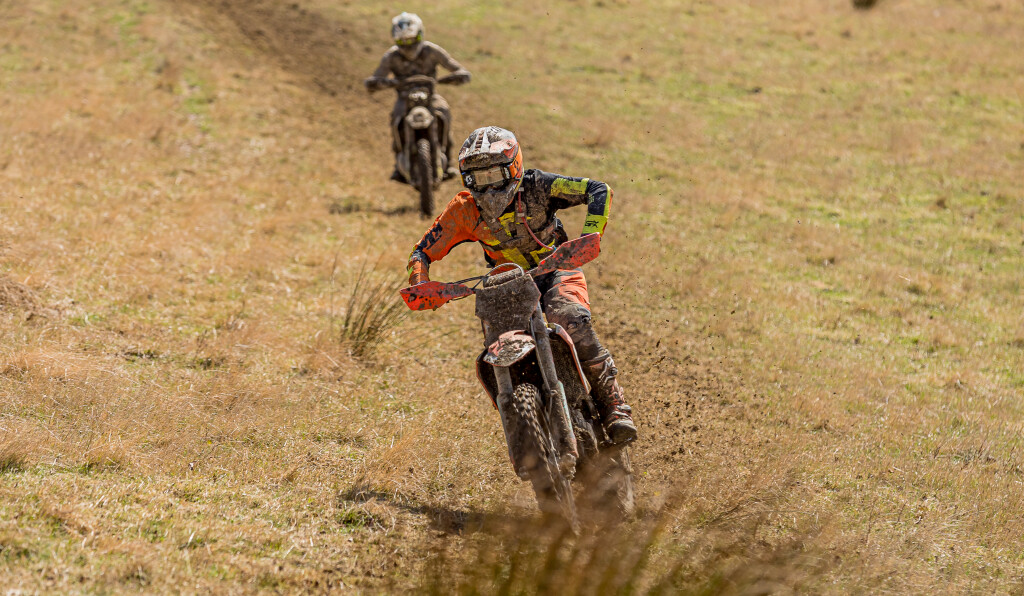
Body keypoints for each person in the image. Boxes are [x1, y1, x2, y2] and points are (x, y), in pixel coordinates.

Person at [406, 126, 638, 444]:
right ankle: (524, 423)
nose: (488, 188)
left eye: (494, 175)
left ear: (513, 167)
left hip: (557, 268)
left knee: (570, 318)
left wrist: (589, 236)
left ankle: (614, 405)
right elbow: (421, 251)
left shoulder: (538, 186)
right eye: (478, 178)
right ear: (466, 180)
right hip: (506, 282)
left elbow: (598, 190)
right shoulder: (462, 209)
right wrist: (420, 282)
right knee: (496, 345)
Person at [363, 12, 471, 181]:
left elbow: (455, 67)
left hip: (430, 97)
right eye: (402, 41)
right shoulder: (391, 56)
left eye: (412, 40)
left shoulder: (432, 51)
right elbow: (377, 77)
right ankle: (398, 164)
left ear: (420, 34)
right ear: (395, 40)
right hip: (404, 99)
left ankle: (448, 160)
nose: (408, 45)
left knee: (443, 111)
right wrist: (375, 83)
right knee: (396, 119)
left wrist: (459, 75)